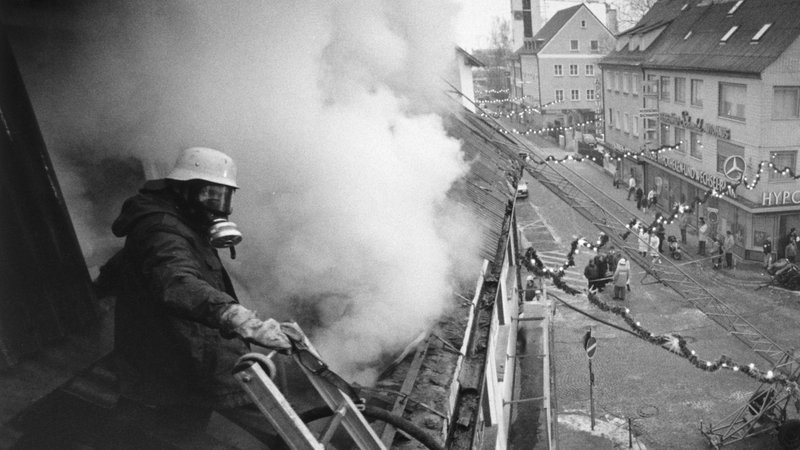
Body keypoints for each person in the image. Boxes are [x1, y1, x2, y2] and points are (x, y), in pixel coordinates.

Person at [97, 147, 294, 447]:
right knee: (150, 415)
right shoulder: (163, 229)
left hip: (180, 351)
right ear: (181, 189)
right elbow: (177, 281)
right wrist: (234, 315)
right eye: (209, 196)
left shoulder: (174, 221)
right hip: (175, 351)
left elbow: (129, 261)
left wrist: (101, 285)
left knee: (170, 418)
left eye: (223, 197)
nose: (216, 207)